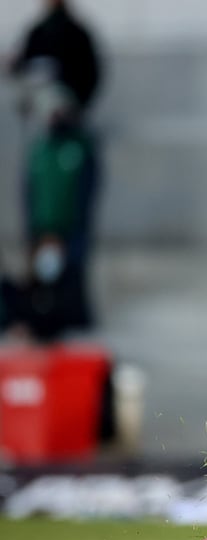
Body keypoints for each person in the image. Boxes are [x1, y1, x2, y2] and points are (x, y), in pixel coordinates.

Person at [8, 0, 103, 334]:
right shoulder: (41, 34)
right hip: (52, 154)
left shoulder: (73, 35)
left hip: (67, 154)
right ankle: (46, 310)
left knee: (68, 242)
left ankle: (65, 310)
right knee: (45, 239)